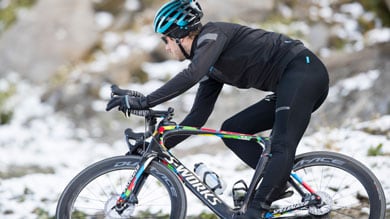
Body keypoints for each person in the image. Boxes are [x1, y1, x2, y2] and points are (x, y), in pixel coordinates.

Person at [106, 0, 329, 218]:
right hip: (293, 83)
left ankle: (258, 206)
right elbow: (196, 118)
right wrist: (152, 146)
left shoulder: (212, 36)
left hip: (304, 72)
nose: (166, 47)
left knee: (281, 144)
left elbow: (191, 75)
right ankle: (275, 184)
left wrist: (145, 102)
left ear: (179, 36)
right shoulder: (209, 64)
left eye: (166, 40)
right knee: (234, 129)